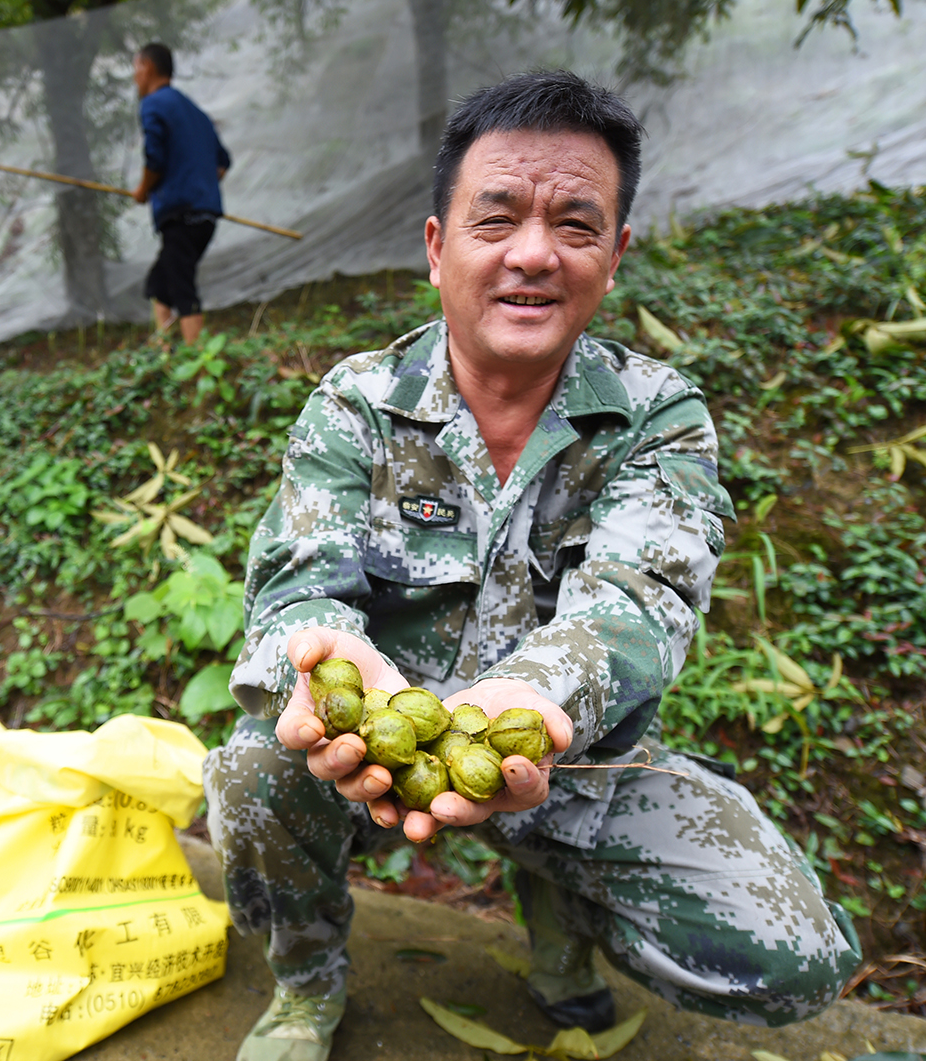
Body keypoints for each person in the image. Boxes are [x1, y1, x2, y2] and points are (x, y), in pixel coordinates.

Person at [207, 71, 862, 1061]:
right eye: (497, 218)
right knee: (253, 771)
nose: (531, 254)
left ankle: (561, 916)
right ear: (437, 248)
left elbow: (643, 599)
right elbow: (300, 579)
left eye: (575, 224)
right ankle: (306, 982)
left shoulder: (660, 417)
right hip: (375, 755)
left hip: (573, 757)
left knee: (793, 952)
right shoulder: (356, 406)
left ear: (616, 256)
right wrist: (323, 651)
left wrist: (533, 698)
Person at [131, 42, 231, 346]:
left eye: (136, 69)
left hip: (181, 213)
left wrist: (142, 190)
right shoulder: (197, 113)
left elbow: (155, 159)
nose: (135, 77)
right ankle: (164, 351)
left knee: (181, 285)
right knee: (159, 285)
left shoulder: (153, 104)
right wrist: (199, 183)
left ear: (147, 67)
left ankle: (198, 360)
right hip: (205, 215)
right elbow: (223, 163)